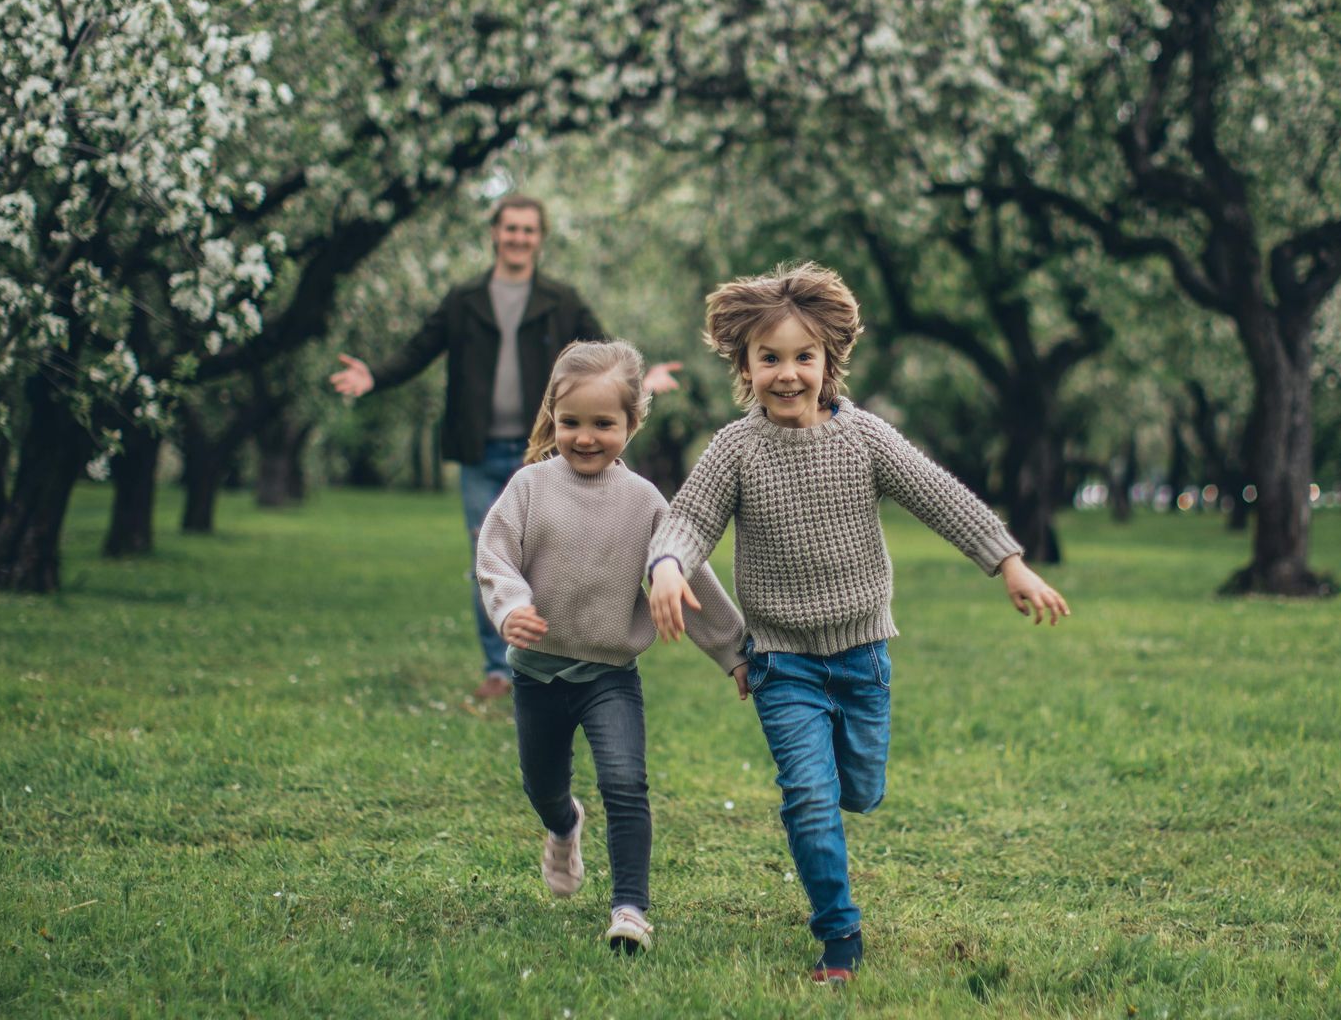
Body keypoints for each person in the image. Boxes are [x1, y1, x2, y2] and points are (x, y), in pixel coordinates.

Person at [644, 261, 1070, 985]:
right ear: (745, 365)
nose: (787, 374)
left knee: (860, 791)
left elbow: (941, 497)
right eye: (769, 358)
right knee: (808, 796)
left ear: (828, 360)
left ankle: (842, 800)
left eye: (802, 357)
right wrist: (667, 564)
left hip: (864, 655)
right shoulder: (735, 448)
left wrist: (1010, 563)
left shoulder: (864, 437)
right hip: (782, 662)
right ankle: (839, 934)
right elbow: (687, 518)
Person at [330, 195, 680, 700]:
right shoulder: (464, 298)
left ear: (539, 238)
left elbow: (607, 357)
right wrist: (374, 376)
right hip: (480, 448)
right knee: (488, 553)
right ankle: (501, 668)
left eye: (528, 230)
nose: (518, 238)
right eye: (510, 229)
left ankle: (554, 658)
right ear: (495, 233)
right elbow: (418, 350)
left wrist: (644, 382)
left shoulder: (561, 299)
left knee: (547, 555)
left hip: (546, 449)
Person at [476, 340, 748, 953]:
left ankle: (630, 909)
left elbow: (692, 580)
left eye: (605, 424)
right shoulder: (529, 488)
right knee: (542, 787)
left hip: (609, 675)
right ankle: (564, 825)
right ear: (553, 418)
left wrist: (735, 651)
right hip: (537, 675)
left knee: (625, 783)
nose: (586, 437)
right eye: (571, 423)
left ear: (632, 423)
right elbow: (495, 558)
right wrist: (512, 607)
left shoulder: (645, 502)